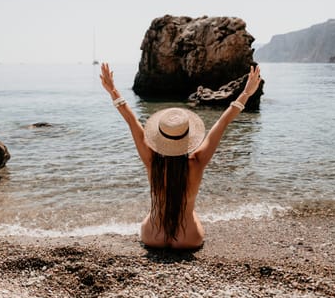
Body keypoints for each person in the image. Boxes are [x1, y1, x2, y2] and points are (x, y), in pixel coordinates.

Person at [100, 63, 262, 249]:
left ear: (159, 138)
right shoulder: (198, 161)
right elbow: (222, 122)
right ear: (187, 138)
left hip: (153, 235)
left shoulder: (152, 162)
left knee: (153, 213)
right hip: (189, 237)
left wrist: (113, 91)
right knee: (191, 213)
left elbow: (131, 120)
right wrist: (246, 93)